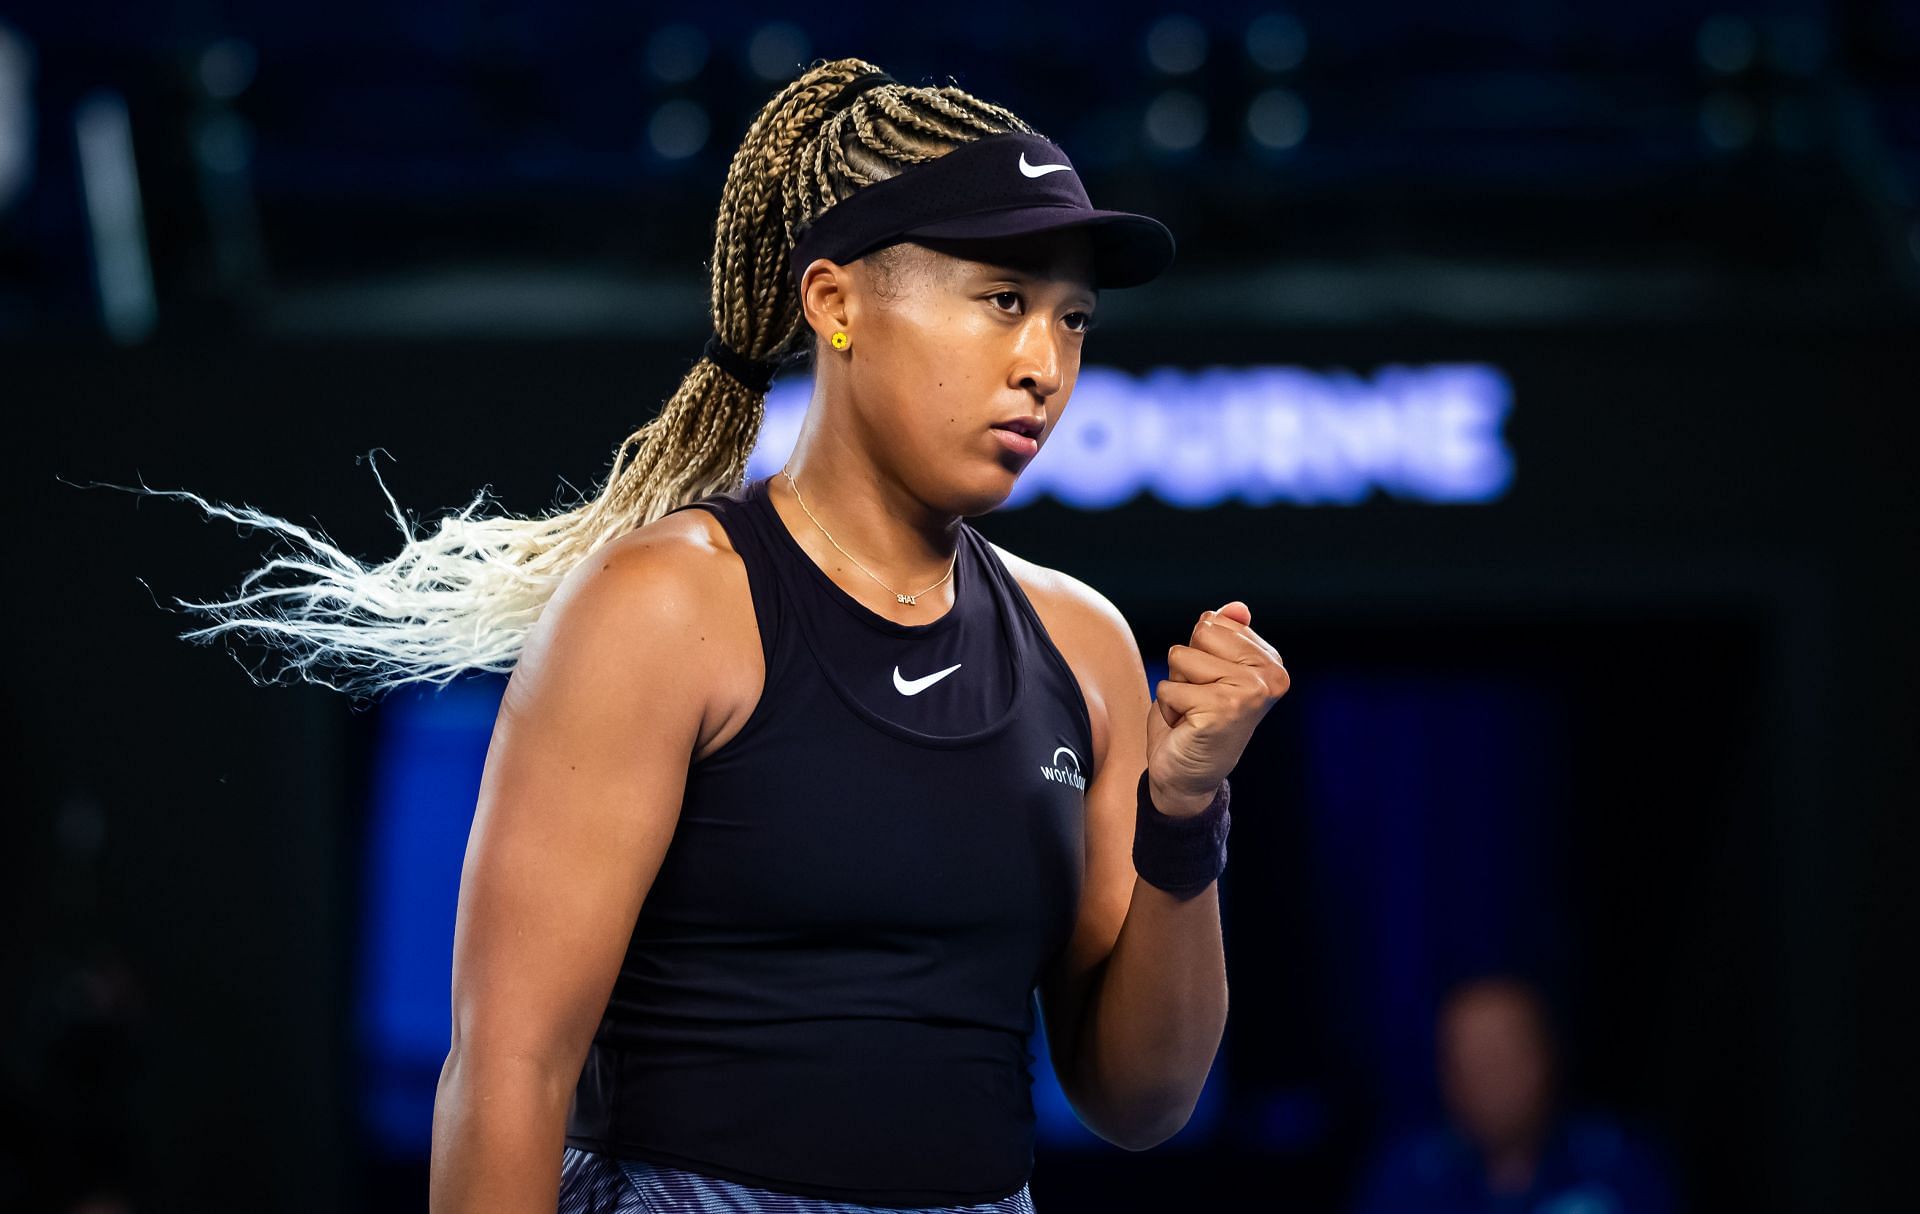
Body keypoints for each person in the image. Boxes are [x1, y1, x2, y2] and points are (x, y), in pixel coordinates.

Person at [115, 57, 1291, 1211]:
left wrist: (1182, 817)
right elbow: (509, 1068)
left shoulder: (1080, 643)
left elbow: (1142, 1098)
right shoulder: (668, 607)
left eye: (1072, 320)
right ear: (835, 304)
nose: (1044, 364)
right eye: (1001, 302)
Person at [1351, 975, 1681, 1214]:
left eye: (1501, 1057)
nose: (1487, 1080)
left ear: (1547, 1058)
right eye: (1467, 1061)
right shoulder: (1406, 1182)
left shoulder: (1620, 1167)